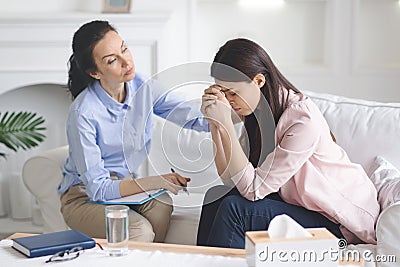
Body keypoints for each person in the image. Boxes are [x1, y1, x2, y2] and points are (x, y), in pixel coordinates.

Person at [197, 38, 380, 249]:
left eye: (233, 93)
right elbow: (230, 178)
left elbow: (253, 189)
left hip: (339, 223)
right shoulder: (256, 113)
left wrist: (227, 124)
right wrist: (215, 124)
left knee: (235, 210)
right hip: (303, 207)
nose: (229, 101)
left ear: (258, 81)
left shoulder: (302, 120)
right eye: (223, 92)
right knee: (215, 197)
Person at [57, 20, 208, 243]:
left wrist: (230, 108)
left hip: (125, 188)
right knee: (138, 230)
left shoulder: (142, 86)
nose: (126, 61)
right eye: (112, 60)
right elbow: (98, 189)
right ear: (95, 72)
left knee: (161, 207)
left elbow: (192, 118)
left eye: (124, 49)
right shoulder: (83, 113)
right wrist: (157, 180)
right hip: (83, 197)